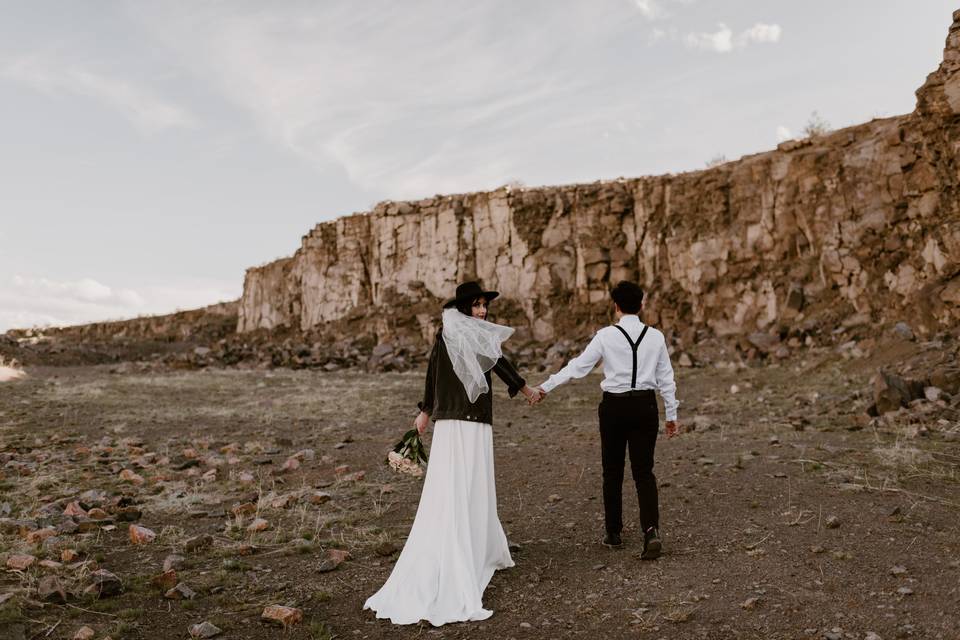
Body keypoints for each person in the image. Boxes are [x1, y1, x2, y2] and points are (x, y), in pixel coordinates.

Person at [364, 281, 542, 626]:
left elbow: (499, 364)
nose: (481, 311)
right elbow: (434, 373)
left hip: (474, 420)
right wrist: (425, 410)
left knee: (473, 483)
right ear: (463, 307)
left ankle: (480, 544)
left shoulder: (473, 332)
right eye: (475, 305)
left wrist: (524, 389)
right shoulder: (447, 333)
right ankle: (459, 550)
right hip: (455, 421)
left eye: (483, 305)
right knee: (453, 485)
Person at [536, 281, 679, 559]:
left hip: (613, 407)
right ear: (642, 305)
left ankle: (613, 533)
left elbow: (578, 366)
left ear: (615, 307)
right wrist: (671, 414)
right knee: (644, 472)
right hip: (645, 406)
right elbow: (667, 378)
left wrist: (545, 386)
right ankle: (651, 531)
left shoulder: (605, 336)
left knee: (612, 471)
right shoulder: (656, 337)